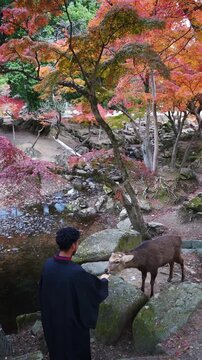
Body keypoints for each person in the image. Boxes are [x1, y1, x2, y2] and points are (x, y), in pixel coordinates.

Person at [39, 227, 109, 360]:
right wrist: (104, 281)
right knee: (75, 351)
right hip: (71, 324)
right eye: (77, 242)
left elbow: (42, 293)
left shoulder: (47, 265)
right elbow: (93, 292)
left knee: (57, 349)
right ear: (73, 245)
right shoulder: (76, 272)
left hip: (52, 321)